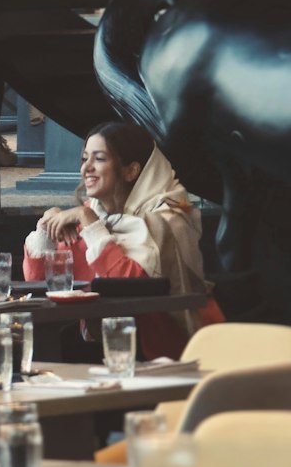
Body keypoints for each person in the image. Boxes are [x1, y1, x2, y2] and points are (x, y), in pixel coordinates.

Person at [22, 121, 224, 360]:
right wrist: (46, 229)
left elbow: (130, 286)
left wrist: (89, 222)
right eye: (84, 158)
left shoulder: (168, 219)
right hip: (106, 347)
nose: (86, 168)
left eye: (99, 159)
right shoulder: (93, 215)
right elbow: (41, 283)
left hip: (167, 353)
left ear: (131, 171)